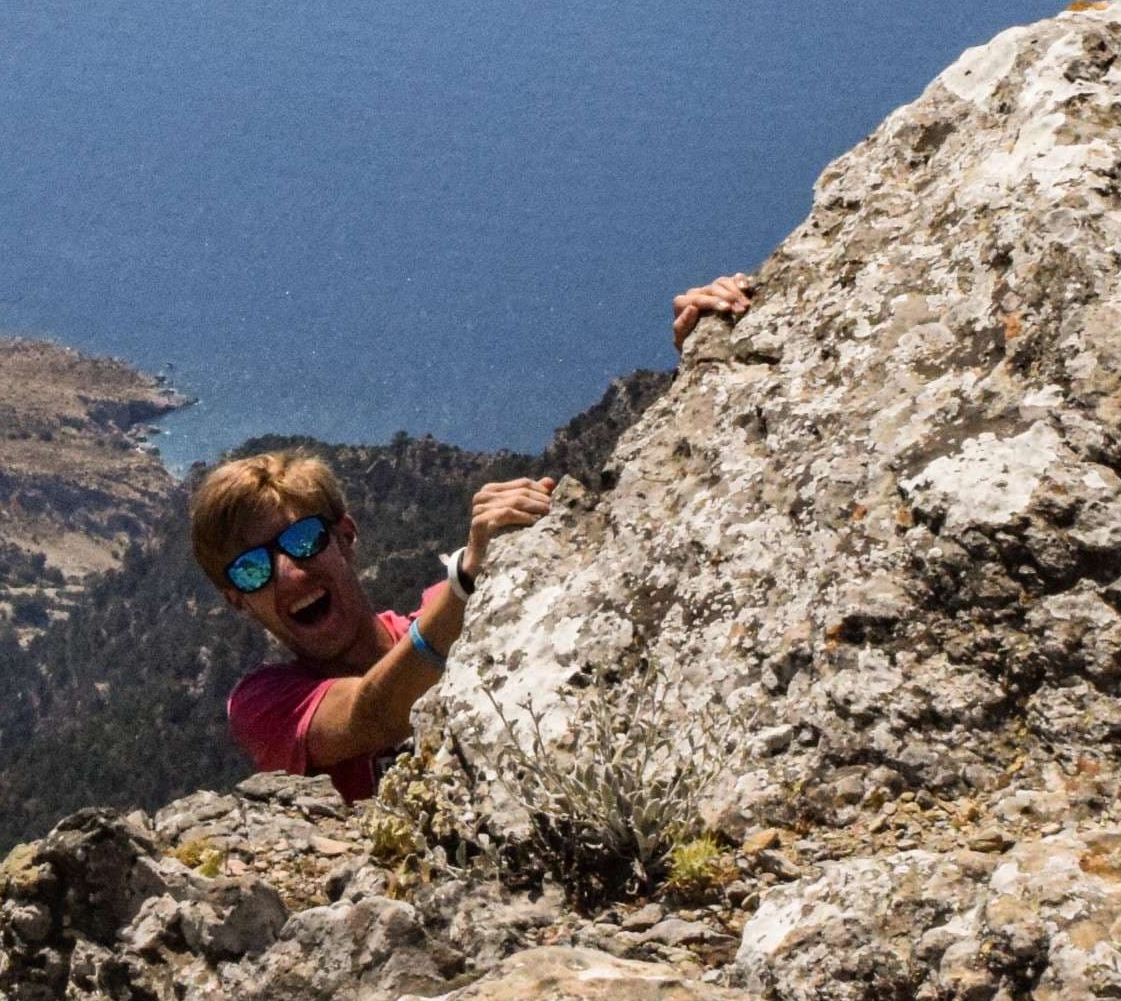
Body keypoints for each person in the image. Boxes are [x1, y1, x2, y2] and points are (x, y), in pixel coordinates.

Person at [194, 274, 760, 800]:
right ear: (237, 600)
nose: (289, 572)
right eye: (252, 569)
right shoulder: (262, 705)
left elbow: (641, 560)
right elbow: (374, 715)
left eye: (302, 541)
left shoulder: (452, 617)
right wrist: (466, 583)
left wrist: (706, 356)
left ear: (346, 537)